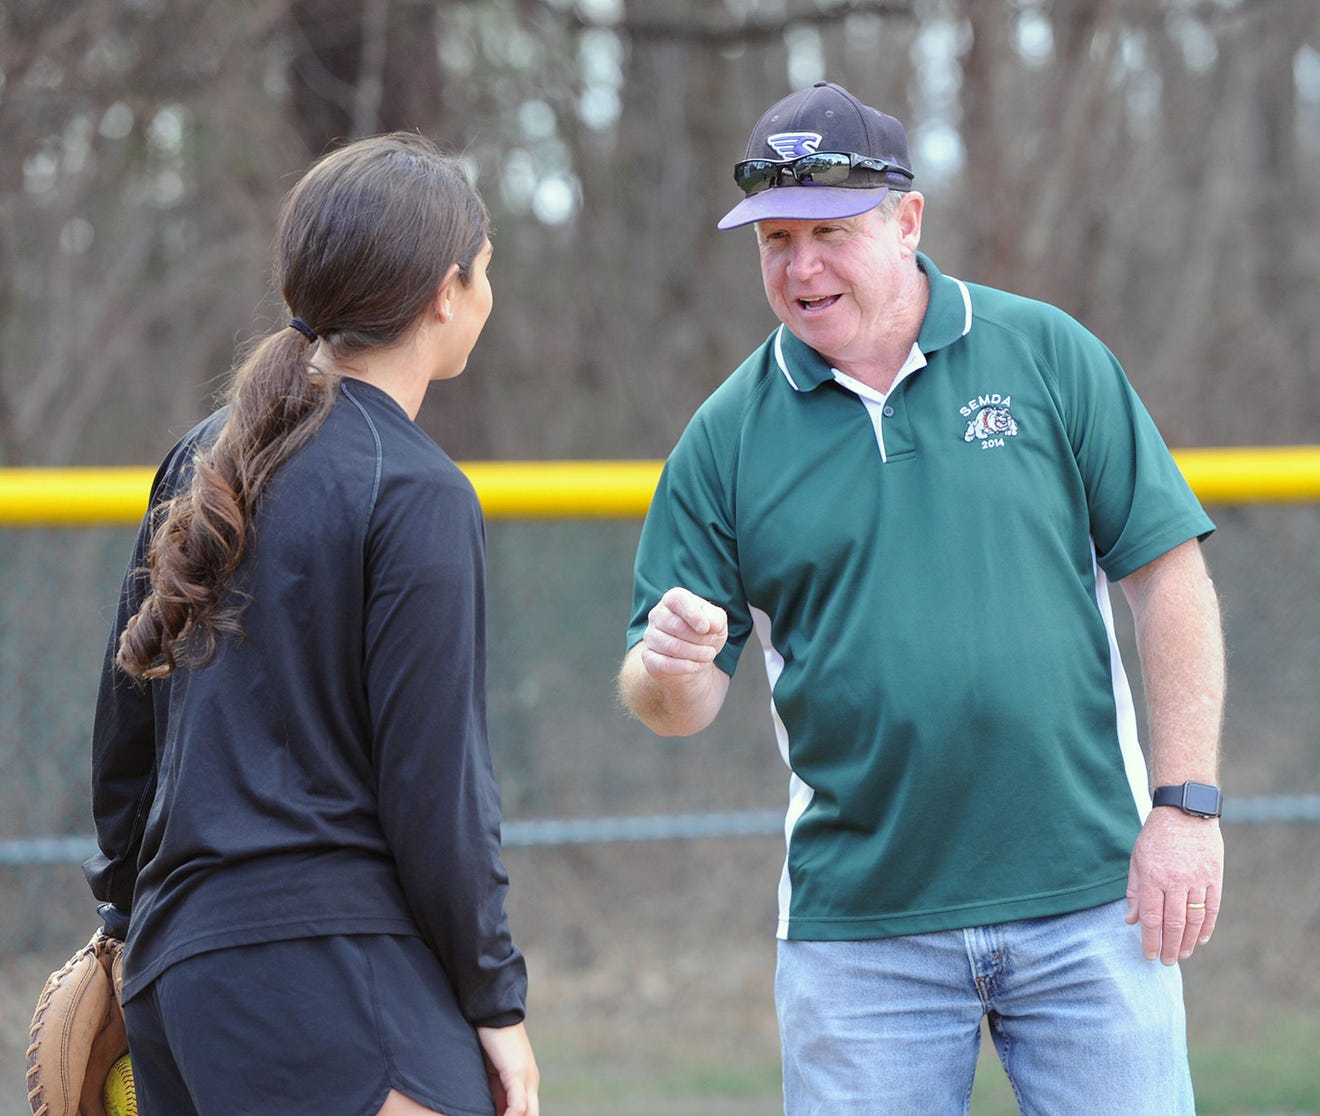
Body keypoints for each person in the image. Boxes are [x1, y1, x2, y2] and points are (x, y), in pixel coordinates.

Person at [618, 81, 1225, 1115]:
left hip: (1089, 902)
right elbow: (671, 703)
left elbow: (1167, 578)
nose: (800, 267)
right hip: (861, 936)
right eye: (775, 240)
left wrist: (1185, 808)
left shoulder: (1046, 355)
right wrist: (666, 669)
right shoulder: (723, 438)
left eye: (829, 232)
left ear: (907, 220)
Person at [84, 132, 539, 1116]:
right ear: (444, 293)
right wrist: (495, 999)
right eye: (486, 268)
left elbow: (127, 731)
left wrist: (124, 922)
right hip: (330, 979)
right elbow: (436, 788)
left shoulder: (202, 456)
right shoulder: (418, 489)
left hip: (180, 982)